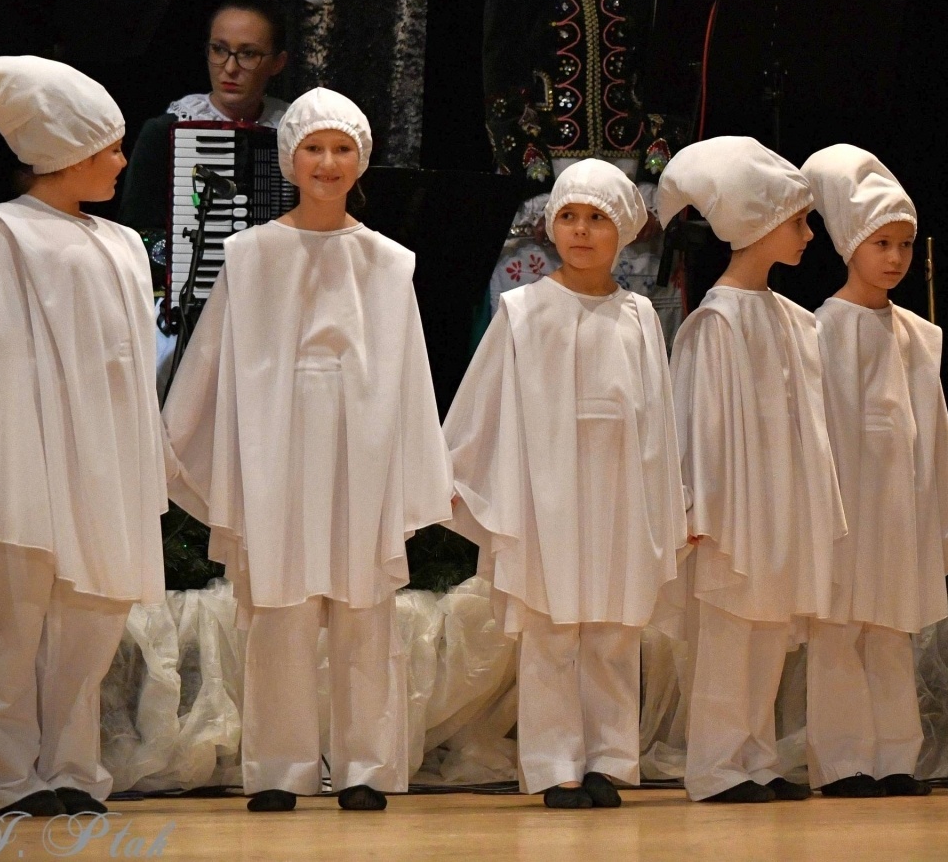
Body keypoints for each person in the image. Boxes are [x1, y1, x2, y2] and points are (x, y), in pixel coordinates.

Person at [163, 88, 453, 813]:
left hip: (361, 453)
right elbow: (211, 358)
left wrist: (419, 470)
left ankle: (366, 766)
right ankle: (279, 767)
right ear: (290, 157)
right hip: (277, 451)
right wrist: (175, 442)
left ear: (362, 158)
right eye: (314, 148)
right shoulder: (251, 254)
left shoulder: (387, 262)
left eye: (342, 148)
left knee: (364, 613)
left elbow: (411, 374)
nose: (327, 162)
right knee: (280, 610)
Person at [0, 56, 167, 817]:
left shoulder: (122, 243)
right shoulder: (1, 234)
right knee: (14, 622)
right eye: (109, 149)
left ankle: (73, 766)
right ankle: (11, 775)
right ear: (66, 152)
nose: (121, 161)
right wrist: (9, 424)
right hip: (28, 460)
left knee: (93, 618)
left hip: (103, 459)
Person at [443, 158, 688, 808]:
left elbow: (657, 418)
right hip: (546, 493)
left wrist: (667, 502)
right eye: (570, 216)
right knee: (552, 629)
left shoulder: (639, 316)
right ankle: (555, 764)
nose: (581, 230)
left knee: (612, 629)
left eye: (597, 218)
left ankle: (608, 758)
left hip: (617, 492)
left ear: (623, 230)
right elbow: (484, 399)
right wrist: (460, 472)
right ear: (552, 225)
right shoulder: (523, 310)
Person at [656, 135, 846, 803]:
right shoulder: (716, 322)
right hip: (733, 508)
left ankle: (757, 757)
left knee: (767, 633)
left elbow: (810, 425)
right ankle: (718, 765)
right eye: (799, 221)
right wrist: (698, 506)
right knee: (730, 634)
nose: (810, 235)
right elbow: (697, 424)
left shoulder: (792, 320)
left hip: (780, 501)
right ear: (760, 223)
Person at [799, 144, 948, 798]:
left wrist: (946, 507)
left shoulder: (917, 336)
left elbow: (932, 431)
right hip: (846, 510)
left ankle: (896, 757)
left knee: (891, 632)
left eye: (904, 243)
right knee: (841, 632)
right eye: (882, 242)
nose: (896, 257)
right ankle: (844, 761)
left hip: (898, 508)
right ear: (851, 243)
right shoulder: (820, 329)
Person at [483, 0, 679, 334]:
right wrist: (535, 192)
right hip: (546, 188)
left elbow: (667, 88)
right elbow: (503, 94)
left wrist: (655, 187)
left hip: (634, 188)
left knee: (629, 334)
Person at [116, 0, 290, 261]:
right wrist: (180, 256)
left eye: (248, 54)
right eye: (219, 49)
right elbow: (134, 233)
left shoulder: (292, 131)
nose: (229, 68)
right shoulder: (165, 132)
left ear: (277, 63)